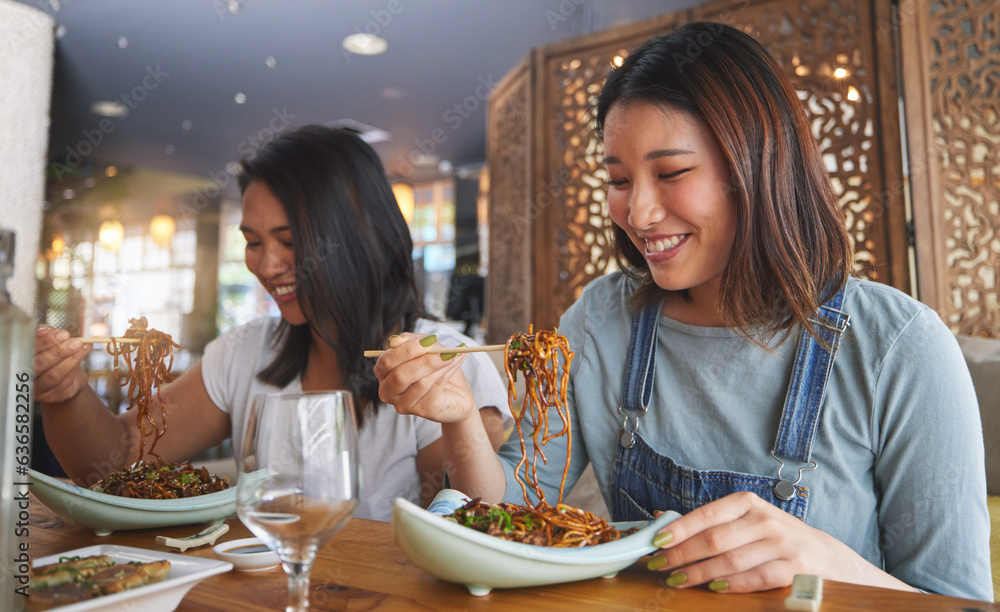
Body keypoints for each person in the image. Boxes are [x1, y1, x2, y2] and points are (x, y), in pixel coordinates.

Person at [374, 23, 993, 600]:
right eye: (618, 180)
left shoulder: (900, 349)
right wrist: (456, 419)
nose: (638, 214)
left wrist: (829, 566)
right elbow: (505, 512)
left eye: (671, 172)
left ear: (759, 168)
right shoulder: (600, 321)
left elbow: (958, 603)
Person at [34, 125, 512, 522]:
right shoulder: (245, 352)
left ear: (357, 237)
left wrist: (461, 418)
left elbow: (472, 520)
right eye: (254, 242)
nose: (266, 265)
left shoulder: (443, 360)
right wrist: (66, 393)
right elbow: (114, 463)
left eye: (289, 240)